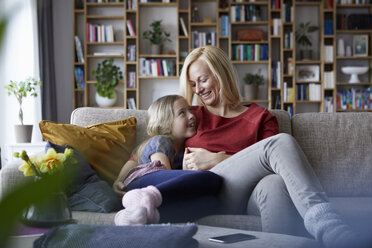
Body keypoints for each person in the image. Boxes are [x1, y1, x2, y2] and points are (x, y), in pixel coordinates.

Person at [178, 46, 359, 248]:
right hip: (209, 193)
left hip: (250, 197)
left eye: (203, 80)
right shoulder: (190, 115)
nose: (198, 89)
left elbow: (280, 167)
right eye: (193, 84)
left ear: (222, 74)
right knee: (280, 142)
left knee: (275, 183)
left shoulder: (259, 117)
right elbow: (157, 141)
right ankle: (334, 230)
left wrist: (218, 159)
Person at [114, 95, 222, 225]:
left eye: (190, 110)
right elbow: (163, 171)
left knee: (212, 204)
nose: (192, 116)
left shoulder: (182, 148)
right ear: (166, 125)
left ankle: (140, 215)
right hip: (143, 182)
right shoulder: (161, 140)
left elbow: (134, 158)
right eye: (182, 113)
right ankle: (145, 197)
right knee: (211, 179)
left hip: (149, 191)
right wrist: (118, 181)